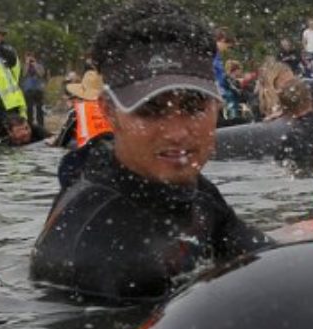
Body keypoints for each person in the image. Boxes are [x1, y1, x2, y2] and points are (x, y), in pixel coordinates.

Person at [31, 0, 271, 303]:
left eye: (194, 106)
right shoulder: (105, 256)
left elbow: (261, 255)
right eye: (150, 110)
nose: (177, 132)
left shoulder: (177, 185)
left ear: (216, 104)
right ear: (109, 111)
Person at [52, 69, 112, 149]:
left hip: (85, 150)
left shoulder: (77, 112)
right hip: (110, 147)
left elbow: (63, 139)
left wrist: (54, 142)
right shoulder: (113, 110)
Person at [20, 54, 46, 129]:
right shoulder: (24, 66)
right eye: (28, 57)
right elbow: (23, 74)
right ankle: (29, 125)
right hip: (28, 89)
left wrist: (35, 65)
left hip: (38, 89)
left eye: (32, 57)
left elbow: (41, 74)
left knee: (39, 109)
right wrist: (27, 64)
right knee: (29, 109)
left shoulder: (39, 65)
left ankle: (41, 126)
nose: (30, 59)